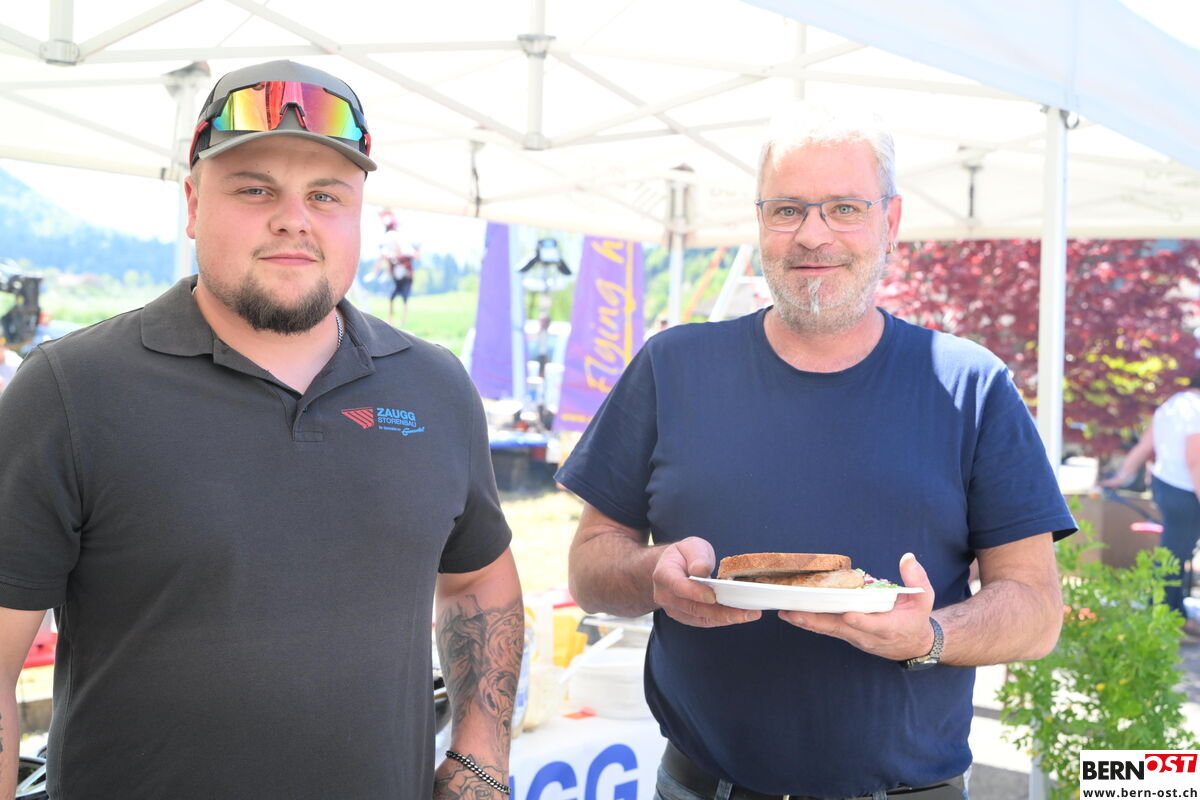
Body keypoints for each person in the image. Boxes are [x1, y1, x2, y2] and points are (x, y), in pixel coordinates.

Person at [0, 60, 522, 800]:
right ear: (192, 204)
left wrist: (481, 758)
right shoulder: (70, 391)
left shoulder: (435, 388)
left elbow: (476, 578)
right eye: (255, 189)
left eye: (325, 195)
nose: (294, 219)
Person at [557, 105, 1076, 800]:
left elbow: (1036, 608)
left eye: (844, 208)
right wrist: (652, 574)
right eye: (787, 210)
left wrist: (929, 636)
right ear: (760, 222)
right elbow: (590, 567)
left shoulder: (969, 385)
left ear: (890, 222)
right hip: (703, 787)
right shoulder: (672, 367)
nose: (812, 234)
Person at [1100, 370, 1200, 637]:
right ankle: (1164, 618)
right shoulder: (1195, 409)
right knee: (1173, 556)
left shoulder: (1170, 406)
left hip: (1164, 484)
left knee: (1173, 553)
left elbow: (1144, 447)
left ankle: (1169, 614)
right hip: (1185, 489)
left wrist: (1121, 476)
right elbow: (1195, 460)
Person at [372, 210, 420, 328]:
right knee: (392, 298)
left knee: (404, 299)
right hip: (398, 279)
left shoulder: (404, 252)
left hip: (405, 279)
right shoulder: (393, 251)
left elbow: (415, 255)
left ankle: (402, 321)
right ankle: (390, 319)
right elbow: (386, 259)